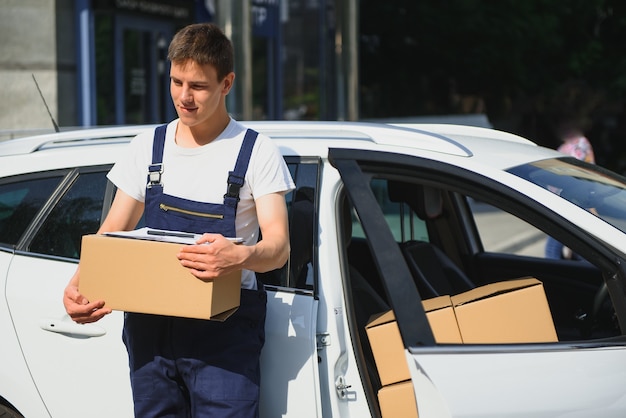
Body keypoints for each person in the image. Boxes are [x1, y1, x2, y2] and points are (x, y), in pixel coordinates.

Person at [63, 23, 294, 417]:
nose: (184, 97)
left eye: (198, 86)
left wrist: (237, 257)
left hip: (224, 335)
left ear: (227, 83)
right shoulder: (147, 147)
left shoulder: (256, 151)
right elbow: (111, 232)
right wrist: (79, 284)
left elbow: (279, 248)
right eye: (176, 81)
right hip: (150, 331)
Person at [544, 119, 595, 260]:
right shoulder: (575, 145)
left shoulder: (578, 144)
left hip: (568, 200)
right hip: (569, 200)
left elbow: (581, 174)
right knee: (580, 245)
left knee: (553, 248)